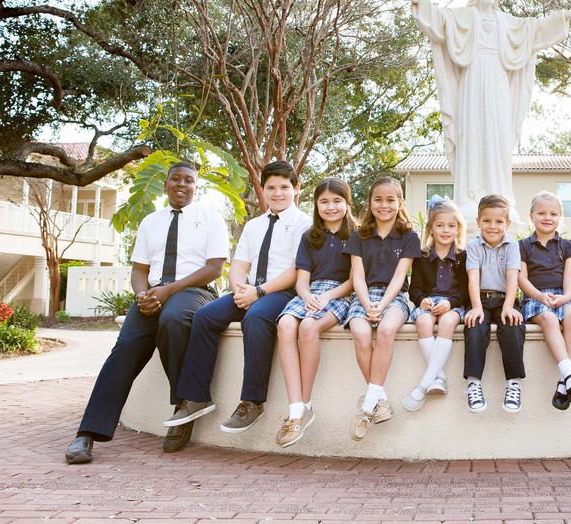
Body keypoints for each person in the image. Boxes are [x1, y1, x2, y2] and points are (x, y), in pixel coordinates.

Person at [65, 161, 228, 464]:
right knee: (125, 347)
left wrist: (170, 290)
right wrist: (142, 294)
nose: (181, 184)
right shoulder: (150, 221)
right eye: (175, 179)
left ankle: (182, 406)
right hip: (153, 292)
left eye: (188, 180)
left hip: (195, 290)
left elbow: (213, 268)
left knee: (174, 319)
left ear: (196, 186)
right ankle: (87, 434)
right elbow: (139, 270)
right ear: (166, 184)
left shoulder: (210, 219)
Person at [400, 0, 571, 215]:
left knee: (498, 135)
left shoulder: (507, 21)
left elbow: (535, 30)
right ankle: (470, 197)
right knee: (471, 133)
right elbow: (440, 20)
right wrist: (419, 1)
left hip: (498, 81)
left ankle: (498, 194)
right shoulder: (464, 16)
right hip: (472, 79)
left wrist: (563, 17)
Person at [164, 161, 312, 442]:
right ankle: (196, 398)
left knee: (256, 318)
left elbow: (296, 269)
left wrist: (260, 293)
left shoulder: (304, 223)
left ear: (296, 189)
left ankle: (252, 402)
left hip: (283, 292)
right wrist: (239, 289)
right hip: (250, 291)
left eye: (284, 187)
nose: (277, 193)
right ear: (262, 190)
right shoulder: (254, 225)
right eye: (271, 188)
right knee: (205, 317)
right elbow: (239, 264)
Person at [273, 177, 357, 448]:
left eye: (337, 201)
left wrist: (326, 297)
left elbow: (354, 281)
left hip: (340, 293)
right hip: (310, 292)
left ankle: (304, 406)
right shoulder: (309, 237)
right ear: (316, 205)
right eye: (324, 202)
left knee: (308, 327)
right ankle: (295, 406)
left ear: (347, 203)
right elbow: (301, 278)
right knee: (286, 324)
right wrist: (307, 295)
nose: (330, 207)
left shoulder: (357, 235)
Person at [344, 176, 421, 441]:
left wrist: (382, 305)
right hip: (363, 296)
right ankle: (380, 399)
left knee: (387, 331)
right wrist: (366, 304)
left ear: (400, 202)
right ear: (370, 202)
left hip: (394, 297)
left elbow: (400, 278)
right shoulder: (359, 236)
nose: (384, 205)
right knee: (361, 333)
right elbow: (357, 275)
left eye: (391, 199)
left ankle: (366, 407)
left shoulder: (409, 237)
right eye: (378, 199)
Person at [518, 191, 571, 411]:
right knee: (548, 318)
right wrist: (539, 296)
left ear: (560, 217)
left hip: (562, 294)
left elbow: (570, 276)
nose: (547, 217)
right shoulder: (523, 246)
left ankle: (566, 380)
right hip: (535, 297)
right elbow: (521, 279)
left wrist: (566, 296)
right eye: (542, 213)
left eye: (553, 213)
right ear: (531, 216)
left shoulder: (568, 246)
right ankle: (570, 375)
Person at [404, 197, 469, 412]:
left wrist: (450, 304)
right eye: (440, 225)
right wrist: (421, 299)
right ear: (431, 228)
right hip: (428, 302)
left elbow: (464, 291)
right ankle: (438, 377)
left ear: (458, 229)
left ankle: (424, 384)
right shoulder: (422, 257)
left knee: (448, 322)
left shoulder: (462, 257)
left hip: (452, 305)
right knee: (423, 321)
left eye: (451, 226)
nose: (445, 230)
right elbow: (415, 288)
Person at [462, 194, 525, 414]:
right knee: (475, 326)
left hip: (505, 299)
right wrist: (476, 307)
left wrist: (509, 306)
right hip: (480, 298)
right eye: (487, 221)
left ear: (507, 223)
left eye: (499, 221)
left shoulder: (512, 246)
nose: (493, 226)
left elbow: (512, 278)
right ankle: (473, 383)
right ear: (478, 221)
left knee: (512, 325)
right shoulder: (473, 246)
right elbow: (473, 278)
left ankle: (513, 383)